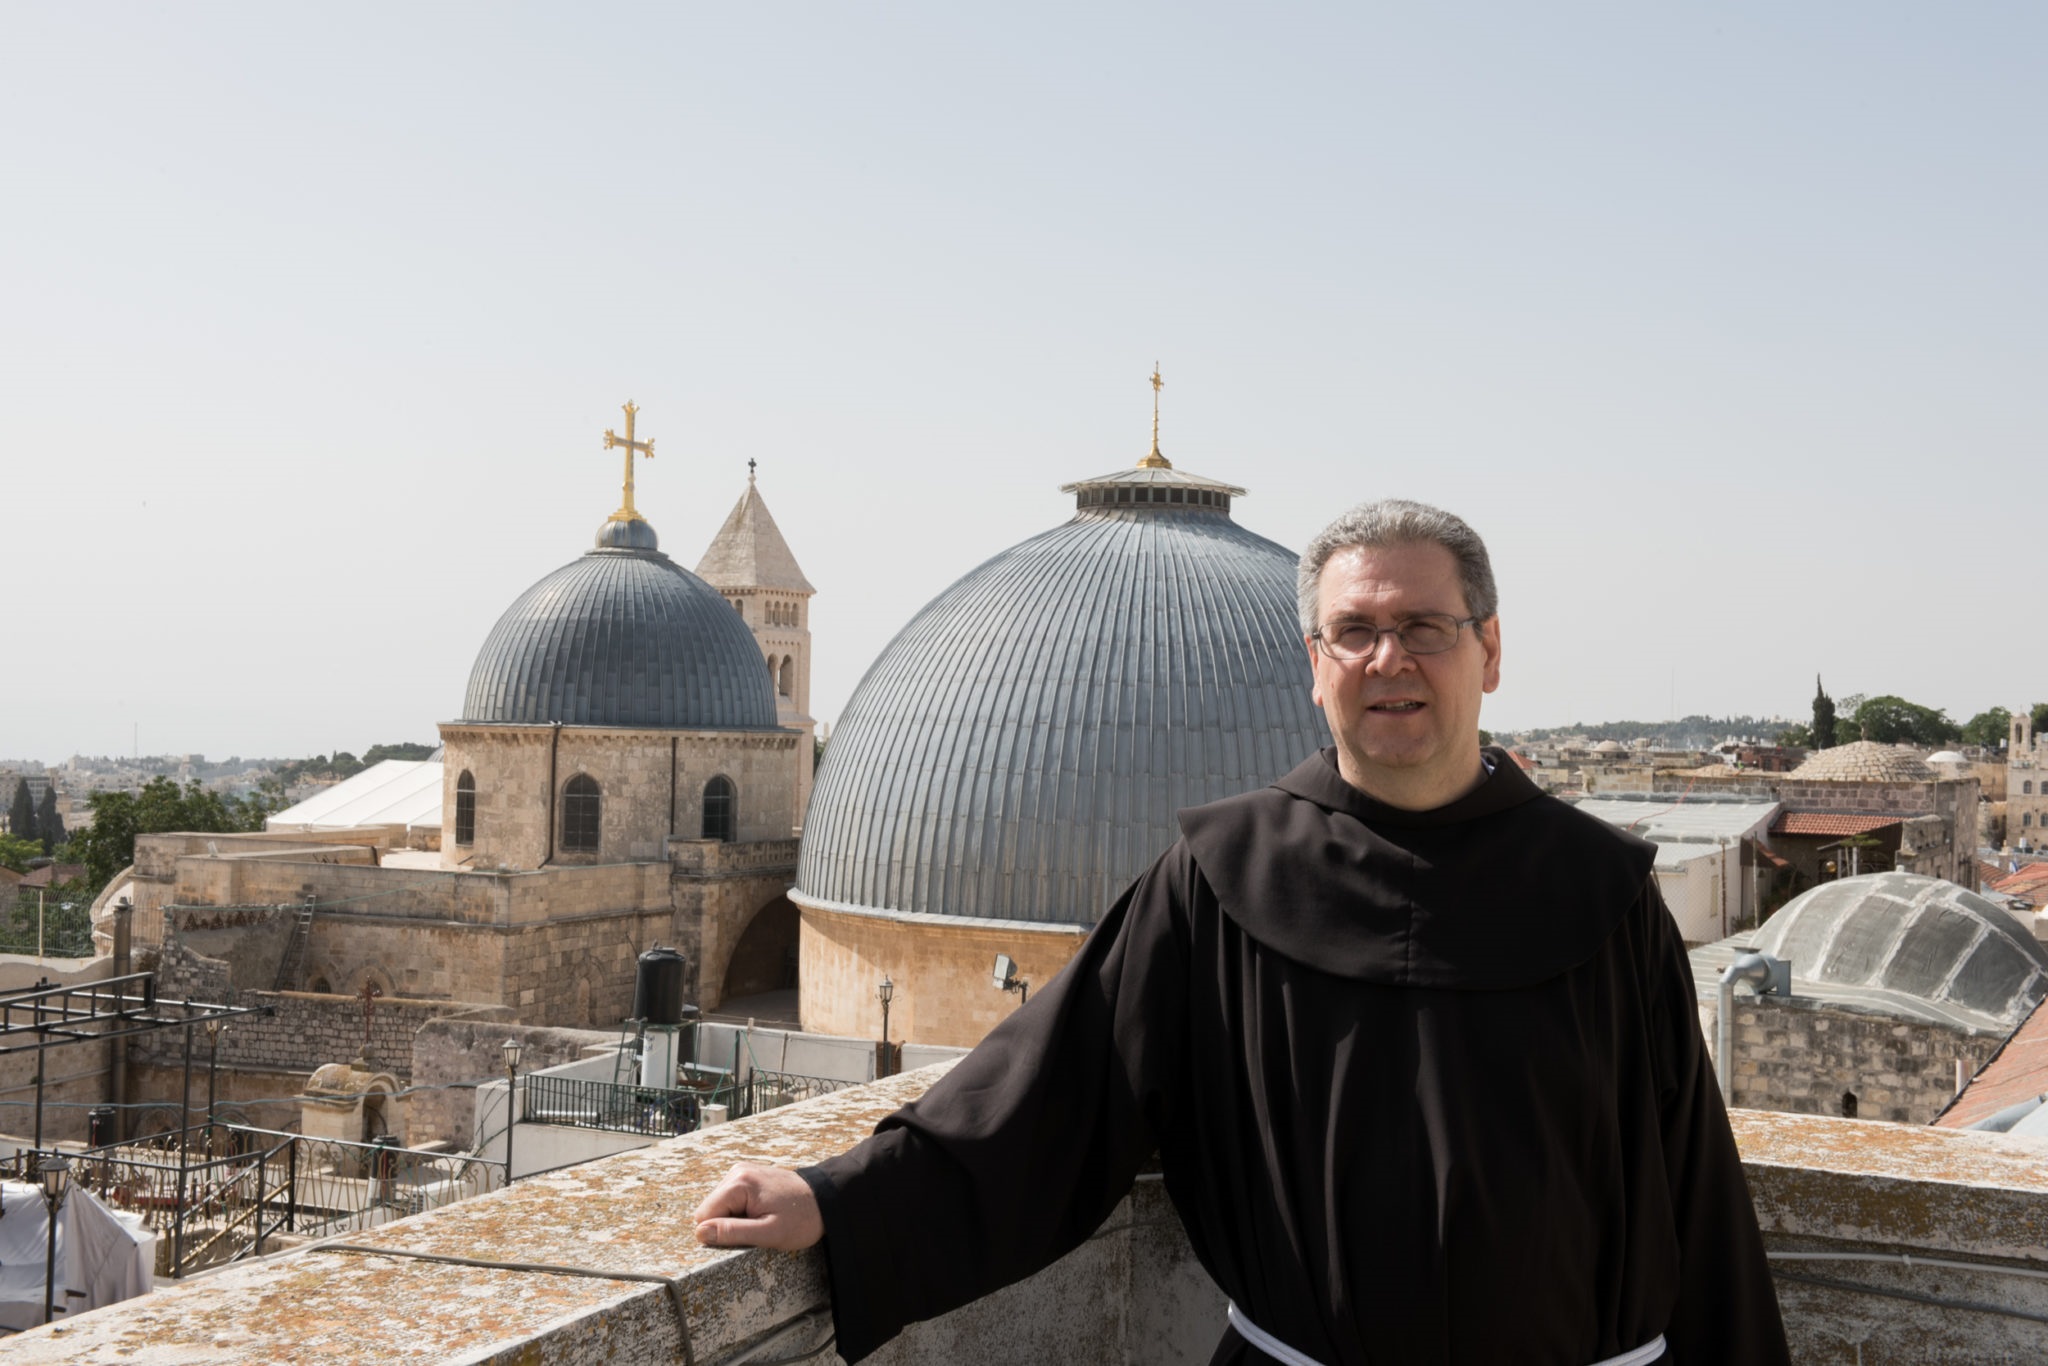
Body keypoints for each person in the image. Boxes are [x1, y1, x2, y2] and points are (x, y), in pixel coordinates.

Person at [695, 499, 1790, 1365]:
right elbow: (1056, 1094)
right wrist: (841, 1198)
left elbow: (1689, 1176)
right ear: (1312, 663)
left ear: (1487, 649)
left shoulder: (1596, 888)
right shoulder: (1222, 877)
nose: (1386, 658)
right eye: (1353, 631)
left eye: (1422, 627)